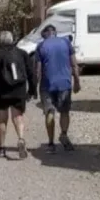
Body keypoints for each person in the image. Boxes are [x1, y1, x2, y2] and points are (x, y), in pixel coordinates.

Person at [0, 31, 36, 158]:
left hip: (2, 91)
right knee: (18, 117)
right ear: (12, 40)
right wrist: (32, 90)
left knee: (2, 119)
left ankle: (2, 148)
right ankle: (21, 139)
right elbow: (31, 73)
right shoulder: (22, 54)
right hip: (19, 90)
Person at [35, 24, 80, 153]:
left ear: (45, 34)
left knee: (49, 112)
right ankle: (64, 134)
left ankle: (51, 143)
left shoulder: (41, 46)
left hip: (47, 85)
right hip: (64, 84)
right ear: (55, 32)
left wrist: (34, 87)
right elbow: (74, 64)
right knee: (64, 111)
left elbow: (38, 71)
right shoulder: (66, 43)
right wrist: (77, 82)